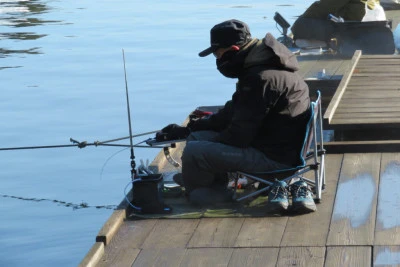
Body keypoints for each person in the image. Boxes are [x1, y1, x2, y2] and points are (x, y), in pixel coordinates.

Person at [156, 19, 316, 213]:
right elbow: (233, 111)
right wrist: (193, 128)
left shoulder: (261, 79)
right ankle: (205, 183)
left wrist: (209, 146)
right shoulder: (265, 68)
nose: (217, 60)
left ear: (233, 49)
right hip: (275, 146)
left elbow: (238, 136)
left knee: (195, 152)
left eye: (218, 54)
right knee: (196, 138)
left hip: (276, 160)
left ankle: (205, 192)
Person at [291, 0, 382, 48]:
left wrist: (304, 17)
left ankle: (329, 44)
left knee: (300, 25)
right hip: (368, 25)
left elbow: (323, 7)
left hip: (353, 29)